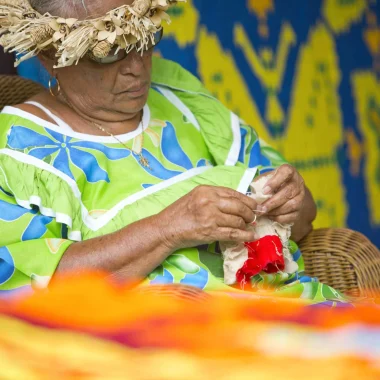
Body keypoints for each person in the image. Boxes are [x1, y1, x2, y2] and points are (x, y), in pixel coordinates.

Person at [0, 0, 342, 303]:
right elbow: (27, 287)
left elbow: (304, 220)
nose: (138, 67)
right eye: (111, 51)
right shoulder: (19, 147)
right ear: (51, 55)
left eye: (145, 40)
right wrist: (169, 228)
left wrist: (287, 201)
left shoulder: (177, 92)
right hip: (166, 338)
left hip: (290, 309)